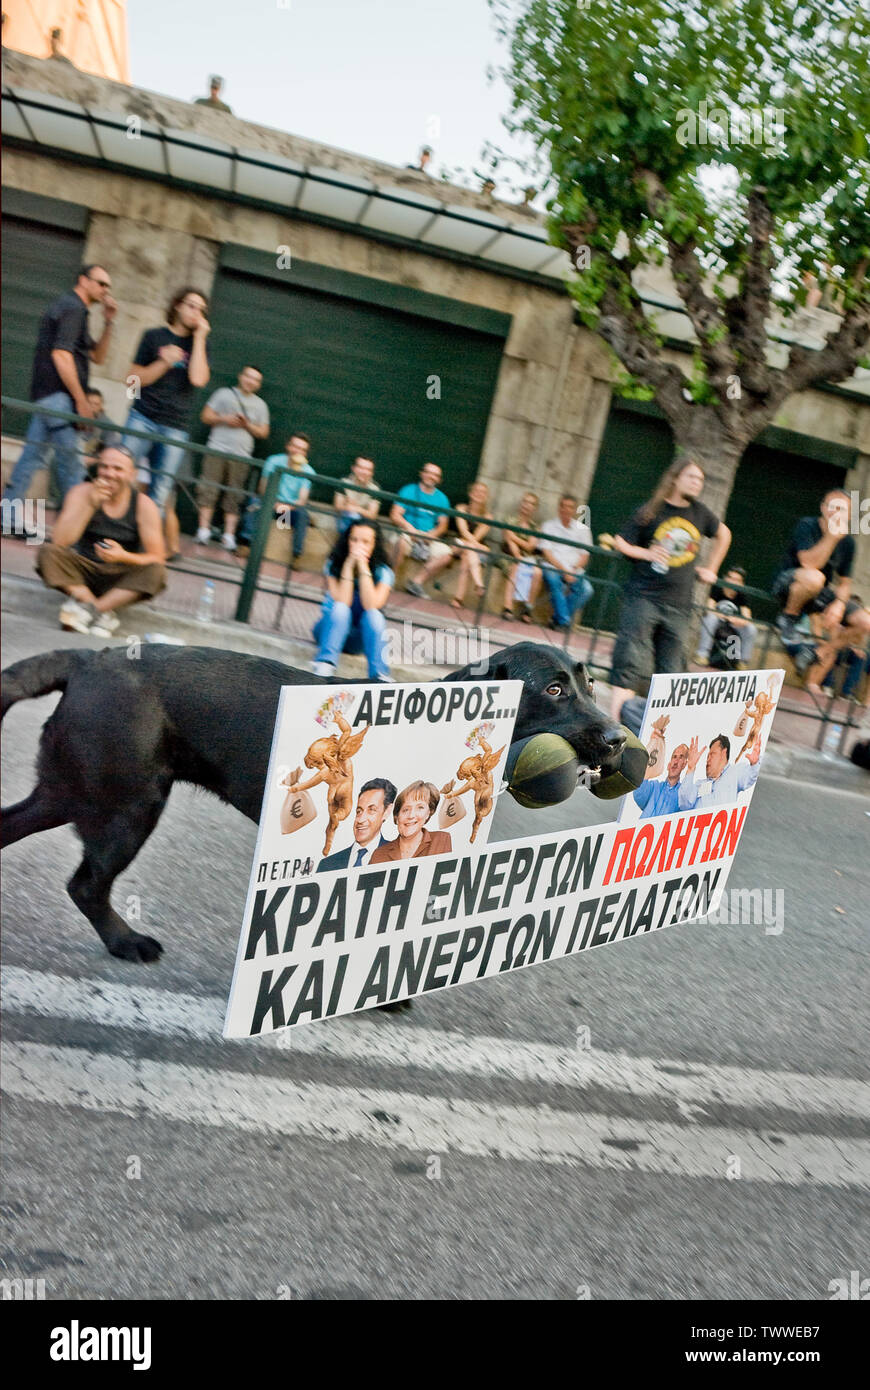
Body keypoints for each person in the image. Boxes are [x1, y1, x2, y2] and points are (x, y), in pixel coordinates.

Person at [610, 459, 731, 718]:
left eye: (700, 479)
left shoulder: (701, 513)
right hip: (643, 598)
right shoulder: (652, 509)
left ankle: (661, 730)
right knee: (628, 662)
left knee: (672, 672)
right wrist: (647, 553)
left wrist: (712, 568)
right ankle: (616, 729)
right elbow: (621, 541)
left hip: (679, 604)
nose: (697, 483)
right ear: (675, 478)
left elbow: (724, 534)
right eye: (691, 477)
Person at [2, 266, 116, 517]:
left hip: (49, 397)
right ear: (83, 281)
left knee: (32, 458)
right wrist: (82, 401)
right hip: (60, 399)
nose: (105, 290)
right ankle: (80, 524)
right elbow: (61, 355)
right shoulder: (73, 308)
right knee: (72, 465)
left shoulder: (75, 310)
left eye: (108, 286)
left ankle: (6, 516)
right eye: (101, 283)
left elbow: (97, 356)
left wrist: (108, 322)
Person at [35, 444, 166, 637]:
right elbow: (60, 542)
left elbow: (157, 557)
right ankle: (101, 613)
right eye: (104, 467)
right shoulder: (80, 492)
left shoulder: (144, 505)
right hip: (83, 571)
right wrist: (90, 504)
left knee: (156, 572)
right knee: (47, 553)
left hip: (120, 575)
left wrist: (124, 556)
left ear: (132, 475)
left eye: (118, 469)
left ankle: (90, 610)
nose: (109, 474)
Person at [122, 286, 211, 558]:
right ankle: (114, 536)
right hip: (142, 417)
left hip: (175, 427)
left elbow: (198, 379)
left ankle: (139, 550)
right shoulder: (154, 336)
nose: (196, 312)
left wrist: (199, 339)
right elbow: (132, 381)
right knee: (122, 477)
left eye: (201, 309)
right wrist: (163, 362)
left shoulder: (201, 345)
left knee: (160, 493)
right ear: (178, 306)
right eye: (191, 305)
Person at [195, 366, 270, 551]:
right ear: (240, 376)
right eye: (248, 376)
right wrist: (225, 419)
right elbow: (205, 416)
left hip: (242, 456)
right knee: (208, 488)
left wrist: (247, 425)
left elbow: (263, 432)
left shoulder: (261, 405)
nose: (250, 381)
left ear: (259, 384)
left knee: (234, 495)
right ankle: (203, 530)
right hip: (217, 449)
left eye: (255, 379)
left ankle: (229, 535)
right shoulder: (223, 394)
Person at [772, 491, 857, 647]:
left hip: (818, 593)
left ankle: (824, 651)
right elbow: (809, 564)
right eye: (832, 506)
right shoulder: (807, 525)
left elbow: (845, 583)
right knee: (815, 577)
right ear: (823, 508)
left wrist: (839, 604)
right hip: (789, 583)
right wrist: (831, 537)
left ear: (849, 516)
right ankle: (788, 618)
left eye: (842, 509)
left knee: (865, 622)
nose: (836, 512)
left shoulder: (848, 542)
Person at [312, 520, 394, 680]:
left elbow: (372, 605)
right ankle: (325, 664)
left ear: (374, 545)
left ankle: (379, 675)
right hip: (328, 630)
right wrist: (349, 566)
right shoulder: (333, 564)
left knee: (375, 615)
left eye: (365, 542)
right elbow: (343, 601)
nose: (358, 546)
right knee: (341, 609)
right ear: (347, 540)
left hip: (358, 639)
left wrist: (363, 567)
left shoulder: (384, 572)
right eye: (354, 540)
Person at [238, 430, 311, 552]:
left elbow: (302, 500)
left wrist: (285, 507)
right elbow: (263, 488)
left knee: (303, 515)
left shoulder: (308, 471)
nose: (298, 451)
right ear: (288, 446)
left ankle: (296, 554)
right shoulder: (273, 461)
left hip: (289, 510)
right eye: (295, 447)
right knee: (254, 503)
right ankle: (246, 544)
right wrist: (275, 504)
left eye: (302, 449)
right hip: (270, 504)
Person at [390, 462, 452, 590]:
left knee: (446, 555)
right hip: (407, 532)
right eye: (428, 472)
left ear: (439, 479)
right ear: (422, 474)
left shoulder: (442, 498)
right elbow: (395, 515)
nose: (431, 477)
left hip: (428, 535)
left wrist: (430, 536)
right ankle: (390, 579)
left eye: (435, 475)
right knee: (401, 542)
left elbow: (443, 525)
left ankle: (416, 582)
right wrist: (410, 529)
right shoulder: (408, 490)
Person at [539, 493, 594, 630]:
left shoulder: (583, 530)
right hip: (553, 566)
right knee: (554, 583)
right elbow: (547, 553)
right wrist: (563, 570)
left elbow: (585, 556)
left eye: (570, 507)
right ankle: (563, 622)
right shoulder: (548, 526)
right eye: (563, 506)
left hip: (575, 569)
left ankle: (557, 619)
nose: (566, 510)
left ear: (575, 510)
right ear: (559, 508)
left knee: (587, 590)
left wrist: (573, 569)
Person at [317, 778, 397, 871]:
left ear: (387, 812)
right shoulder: (326, 865)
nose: (361, 819)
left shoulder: (397, 859)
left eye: (371, 810)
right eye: (359, 811)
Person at [369, 780, 452, 862]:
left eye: (420, 808)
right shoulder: (379, 855)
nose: (411, 815)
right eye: (405, 810)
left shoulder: (441, 840)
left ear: (428, 813)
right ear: (397, 816)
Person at [695, 566, 758, 669]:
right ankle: (702, 654)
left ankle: (743, 662)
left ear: (741, 583)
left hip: (734, 623)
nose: (732, 582)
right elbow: (709, 609)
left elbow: (747, 617)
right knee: (710, 618)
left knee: (751, 629)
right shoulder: (718, 588)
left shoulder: (742, 594)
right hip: (718, 620)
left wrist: (741, 621)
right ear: (725, 578)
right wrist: (727, 617)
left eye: (736, 580)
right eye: (730, 578)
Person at [678, 733, 760, 811]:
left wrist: (755, 764)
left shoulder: (735, 772)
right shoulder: (700, 784)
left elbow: (750, 776)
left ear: (724, 752)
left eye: (712, 754)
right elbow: (684, 804)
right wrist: (690, 768)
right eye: (707, 756)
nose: (708, 759)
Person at [632, 714, 689, 818]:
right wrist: (654, 742)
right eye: (674, 757)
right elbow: (638, 793)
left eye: (680, 757)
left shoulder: (683, 795)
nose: (675, 761)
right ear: (668, 765)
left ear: (685, 764)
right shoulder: (654, 787)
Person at [501, 490, 543, 622]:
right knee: (516, 567)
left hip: (528, 559)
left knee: (537, 572)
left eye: (531, 504)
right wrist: (517, 554)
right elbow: (509, 540)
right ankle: (508, 607)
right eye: (525, 502)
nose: (527, 505)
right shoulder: (510, 520)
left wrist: (514, 536)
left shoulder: (535, 528)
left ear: (535, 508)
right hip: (508, 556)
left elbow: (530, 547)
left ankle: (528, 609)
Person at [333, 455, 380, 533]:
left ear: (372, 473)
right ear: (353, 468)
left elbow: (372, 515)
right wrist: (360, 510)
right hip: (345, 518)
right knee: (350, 517)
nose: (364, 472)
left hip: (364, 522)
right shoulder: (344, 481)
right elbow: (337, 506)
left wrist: (355, 508)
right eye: (360, 468)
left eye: (368, 470)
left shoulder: (375, 488)